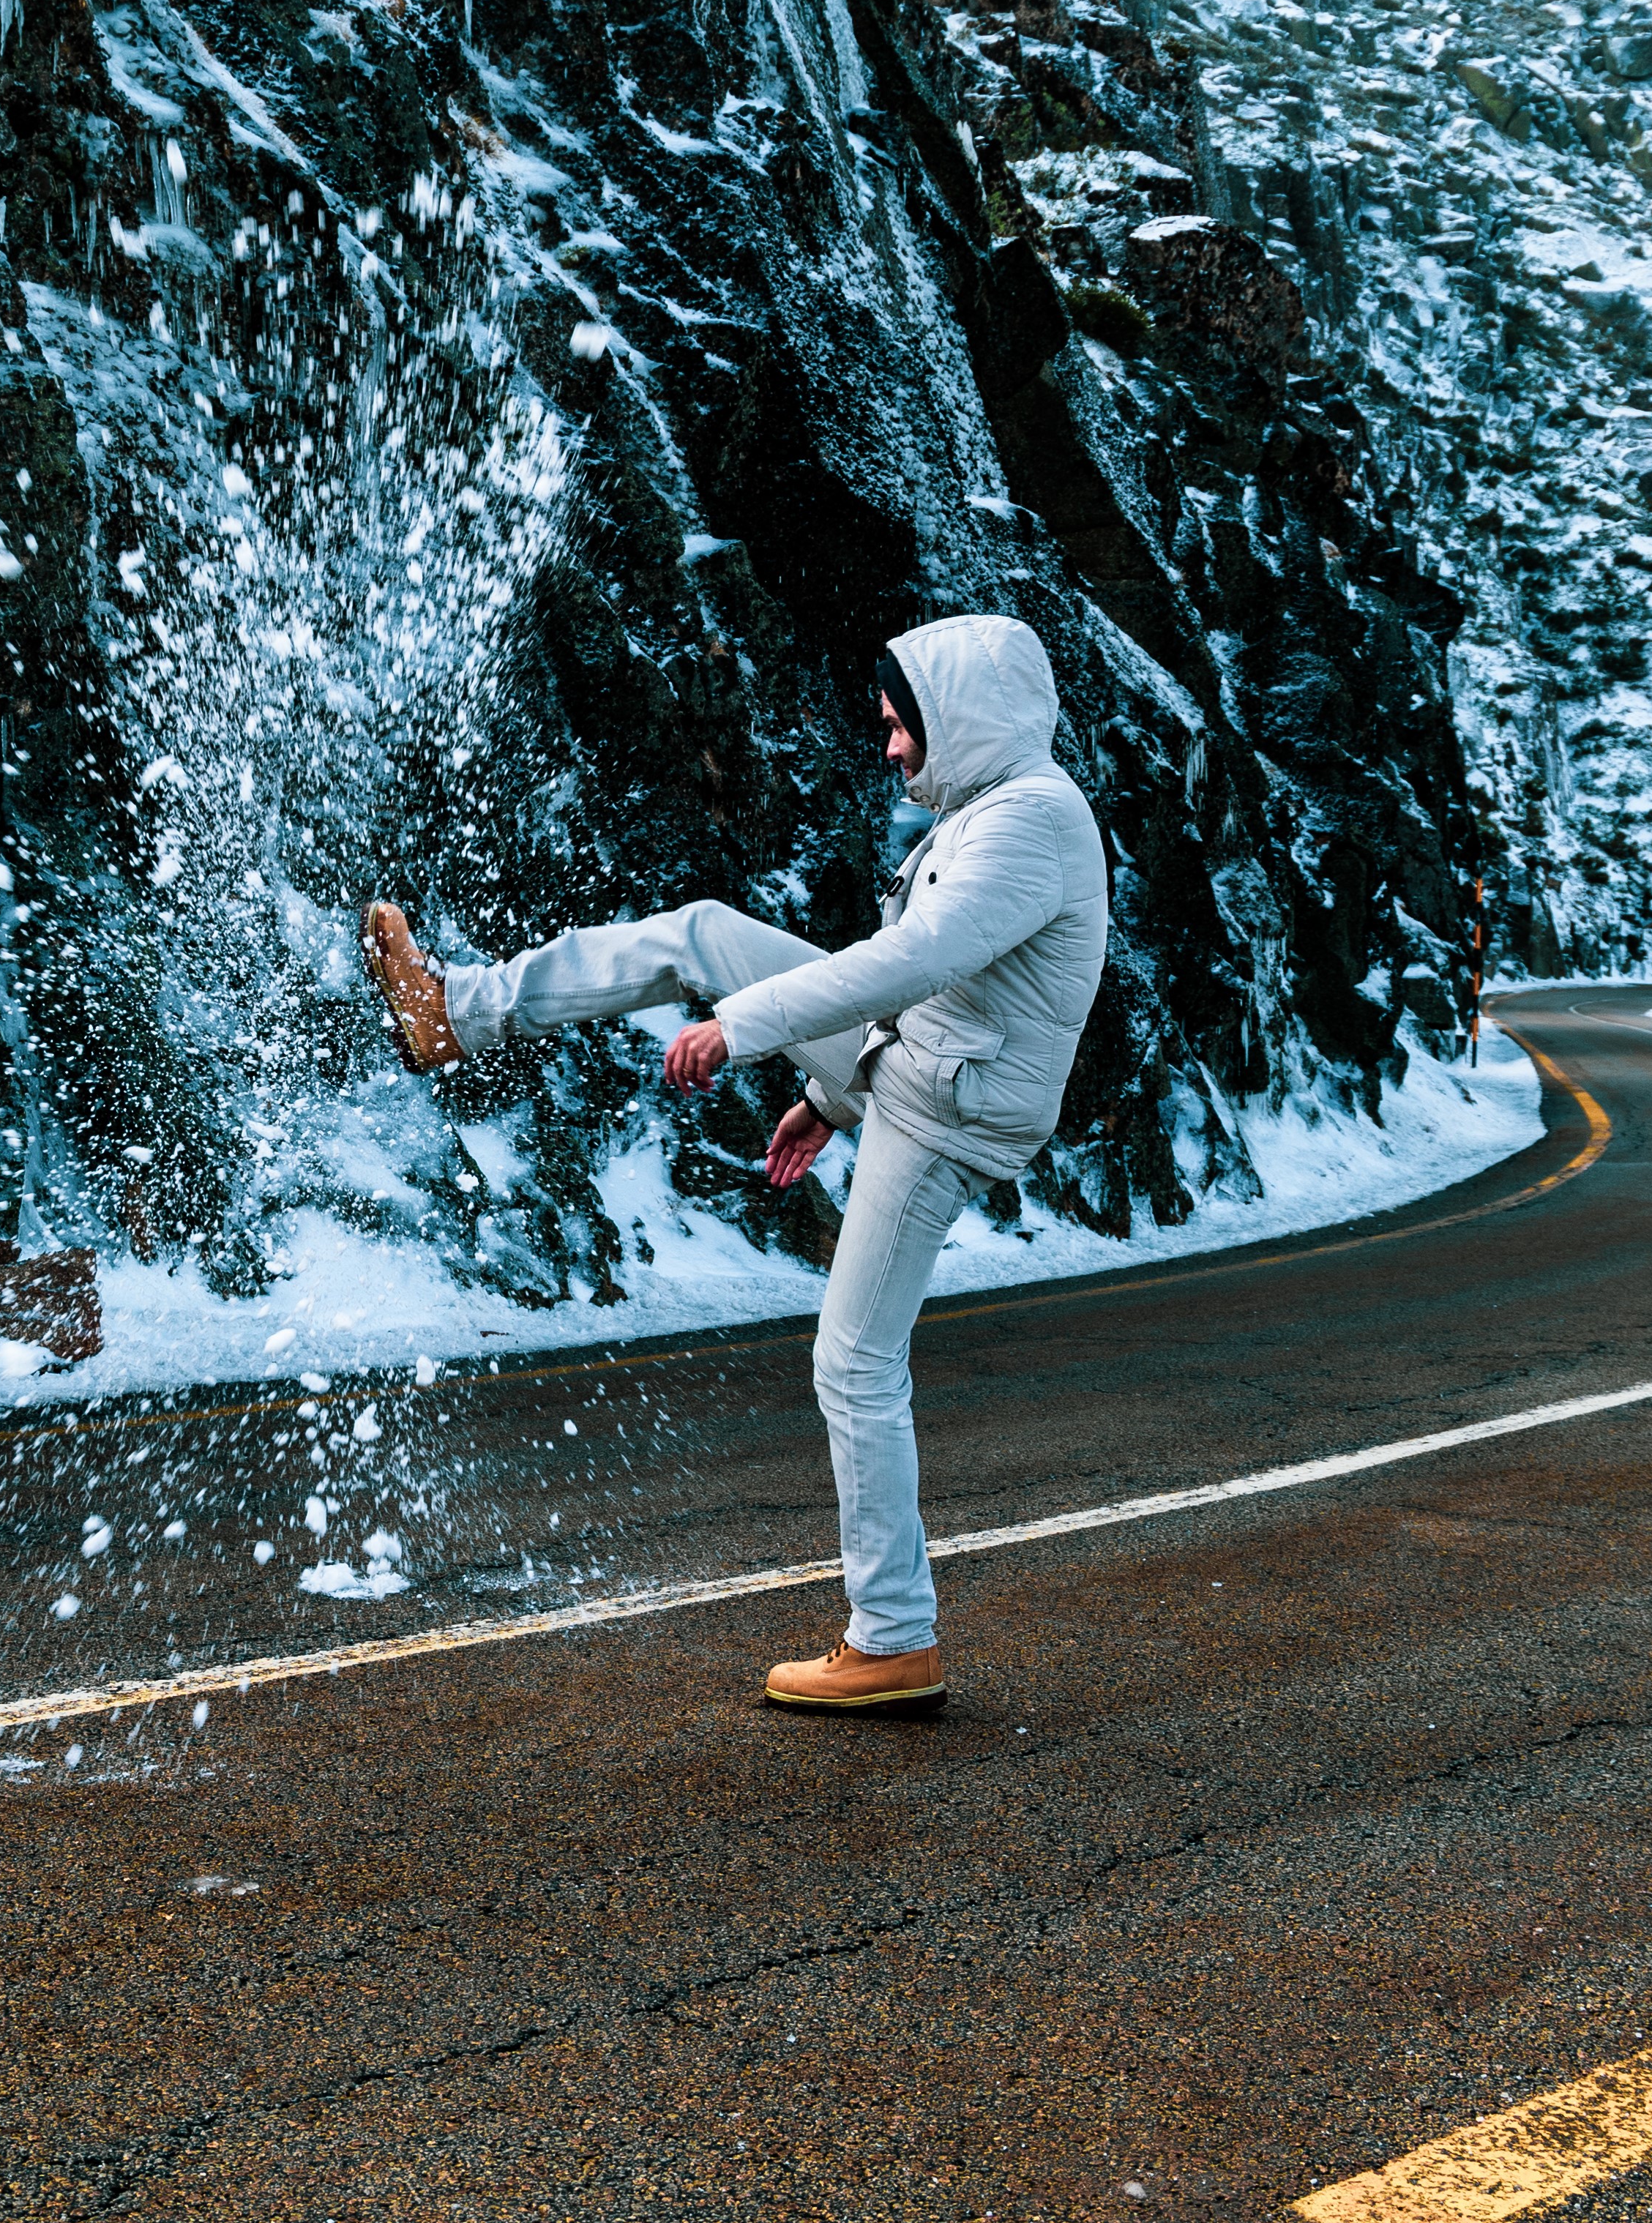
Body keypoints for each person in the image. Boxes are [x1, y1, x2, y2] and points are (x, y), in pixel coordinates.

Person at [361, 612, 1109, 1713]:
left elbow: (915, 959)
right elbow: (947, 994)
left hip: (946, 1117)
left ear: (966, 717)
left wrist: (744, 1029)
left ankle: (895, 1641)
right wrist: (824, 1097)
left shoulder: (1033, 823)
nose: (893, 749)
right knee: (702, 931)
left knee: (853, 1363)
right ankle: (454, 1013)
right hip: (913, 1074)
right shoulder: (996, 811)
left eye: (906, 727)